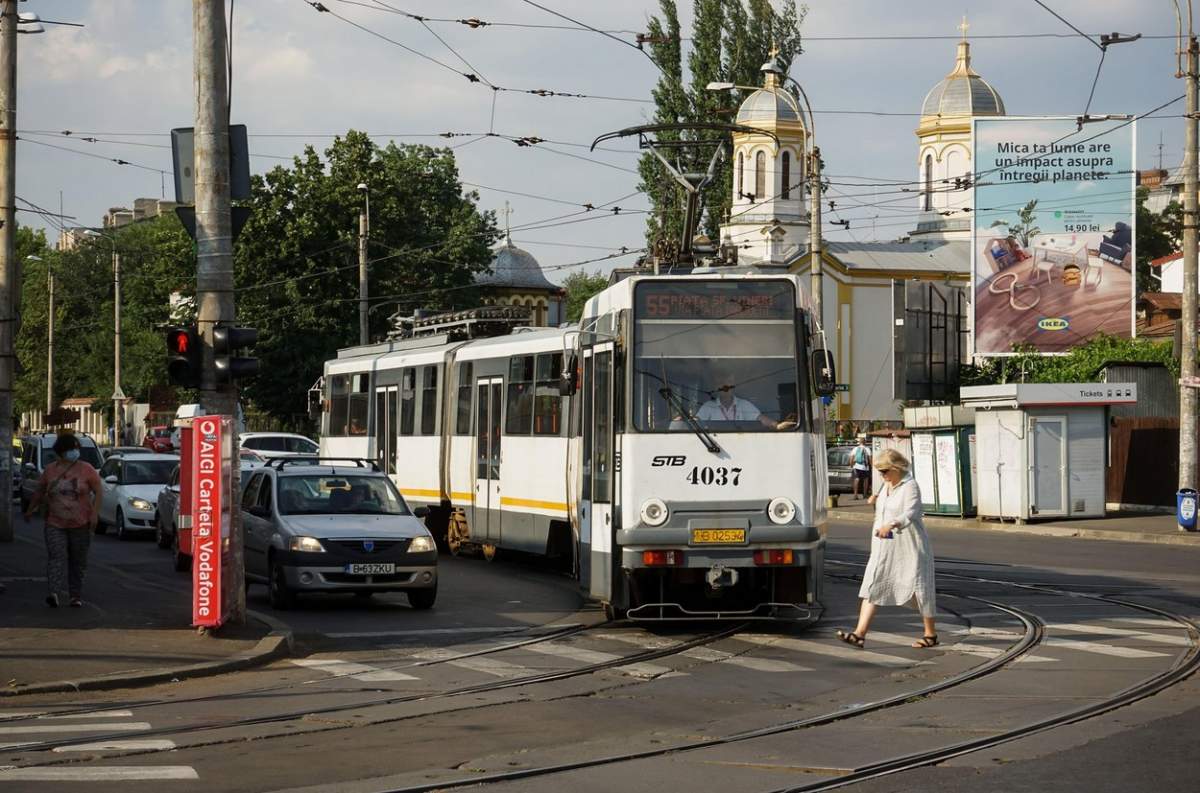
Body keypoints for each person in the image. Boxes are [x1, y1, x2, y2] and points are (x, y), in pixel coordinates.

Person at [836, 448, 938, 649]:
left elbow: (911, 512)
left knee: (919, 589)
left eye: (884, 471)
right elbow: (880, 514)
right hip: (883, 546)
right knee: (873, 585)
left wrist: (892, 524)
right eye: (880, 472)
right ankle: (859, 634)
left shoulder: (910, 486)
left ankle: (930, 634)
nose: (882, 476)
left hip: (909, 546)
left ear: (895, 468)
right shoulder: (885, 486)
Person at [23, 434, 103, 608]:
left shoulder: (87, 469)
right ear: (61, 451)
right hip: (55, 523)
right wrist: (30, 510)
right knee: (56, 557)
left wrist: (94, 514)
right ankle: (54, 592)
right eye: (70, 449)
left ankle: (75, 595)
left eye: (76, 448)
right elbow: (39, 491)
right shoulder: (50, 470)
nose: (74, 452)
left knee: (78, 560)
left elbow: (98, 491)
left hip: (81, 523)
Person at [694, 377, 783, 429]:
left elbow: (761, 419)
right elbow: (696, 423)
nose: (725, 388)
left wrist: (778, 425)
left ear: (733, 387)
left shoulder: (744, 404)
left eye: (728, 385)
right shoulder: (708, 406)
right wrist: (683, 421)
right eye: (722, 386)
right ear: (717, 388)